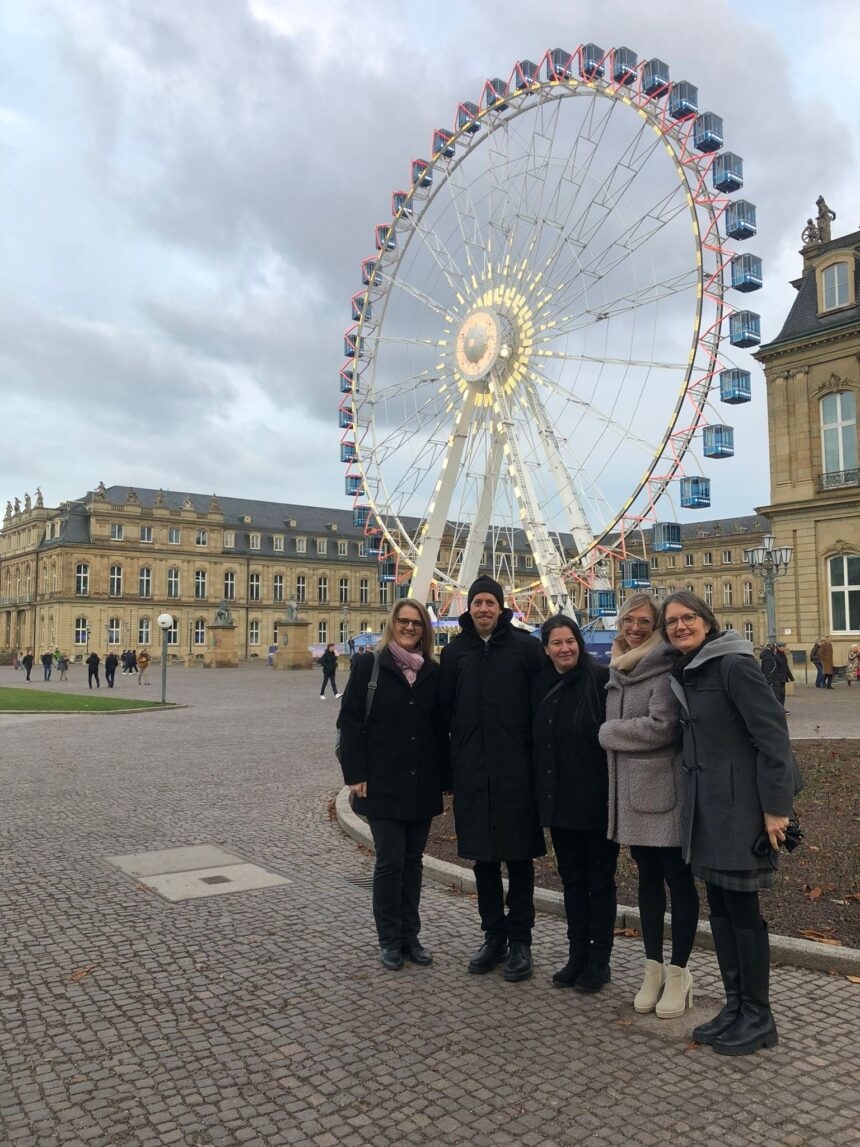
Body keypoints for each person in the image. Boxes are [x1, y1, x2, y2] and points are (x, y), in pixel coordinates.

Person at [659, 590, 799, 1056]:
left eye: (688, 618)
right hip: (707, 808)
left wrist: (776, 808)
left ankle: (760, 1017)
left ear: (707, 620)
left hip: (741, 808)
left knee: (742, 909)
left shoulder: (734, 666)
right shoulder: (689, 669)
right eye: (672, 621)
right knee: (719, 907)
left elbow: (772, 735)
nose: (680, 626)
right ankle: (736, 1006)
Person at [439, 575, 546, 982]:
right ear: (469, 607)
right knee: (484, 861)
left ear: (502, 608)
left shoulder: (525, 648)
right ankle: (492, 936)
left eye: (490, 602)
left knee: (519, 860)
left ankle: (521, 941)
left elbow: (541, 708)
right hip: (472, 771)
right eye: (477, 602)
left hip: (516, 771)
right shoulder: (455, 654)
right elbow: (443, 713)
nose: (484, 609)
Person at [599, 593, 699, 1018]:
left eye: (643, 621)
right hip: (630, 797)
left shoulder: (662, 669)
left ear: (656, 626)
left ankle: (680, 973)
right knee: (646, 881)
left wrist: (608, 731)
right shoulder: (620, 668)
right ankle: (652, 968)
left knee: (677, 879)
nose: (634, 627)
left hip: (663, 795)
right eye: (628, 620)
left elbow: (665, 727)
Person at [338, 599, 449, 970]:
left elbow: (439, 729)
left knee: (413, 863)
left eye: (416, 623)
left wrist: (445, 779)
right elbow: (350, 721)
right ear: (392, 624)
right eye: (403, 621)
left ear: (424, 629)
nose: (409, 627)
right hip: (382, 783)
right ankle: (389, 939)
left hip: (421, 783)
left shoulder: (432, 671)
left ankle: (410, 936)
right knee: (389, 862)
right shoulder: (371, 664)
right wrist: (355, 775)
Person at [533, 615, 618, 993]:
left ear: (579, 644)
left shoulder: (600, 681)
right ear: (546, 648)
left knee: (599, 883)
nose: (564, 648)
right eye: (556, 643)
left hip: (596, 803)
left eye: (570, 642)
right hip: (559, 801)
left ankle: (599, 961)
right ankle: (576, 955)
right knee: (571, 882)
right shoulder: (540, 684)